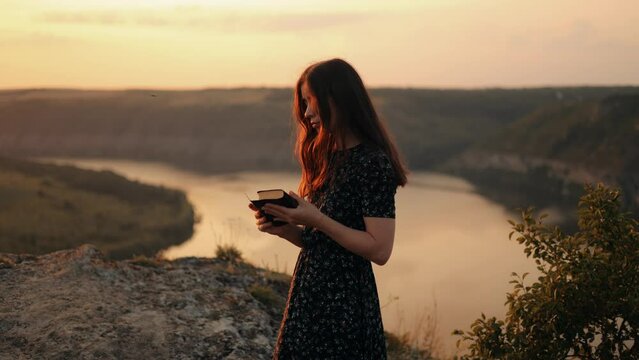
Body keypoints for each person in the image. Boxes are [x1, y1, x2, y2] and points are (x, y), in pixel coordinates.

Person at [248, 58, 408, 359]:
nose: (306, 113)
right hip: (309, 294)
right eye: (304, 103)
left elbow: (380, 250)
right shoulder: (327, 156)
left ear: (337, 99)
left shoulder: (372, 163)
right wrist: (288, 229)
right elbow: (322, 242)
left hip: (345, 308)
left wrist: (316, 218)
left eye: (311, 101)